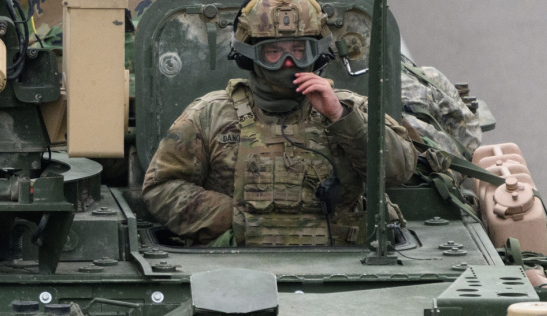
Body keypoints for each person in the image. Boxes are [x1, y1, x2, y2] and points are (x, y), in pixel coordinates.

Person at [142, 0, 417, 247]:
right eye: (273, 52)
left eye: (299, 50)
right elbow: (161, 187)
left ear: (317, 53)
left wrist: (341, 116)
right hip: (241, 267)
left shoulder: (351, 108)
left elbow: (399, 171)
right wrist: (235, 220)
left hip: (343, 261)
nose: (289, 63)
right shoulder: (210, 114)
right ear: (249, 55)